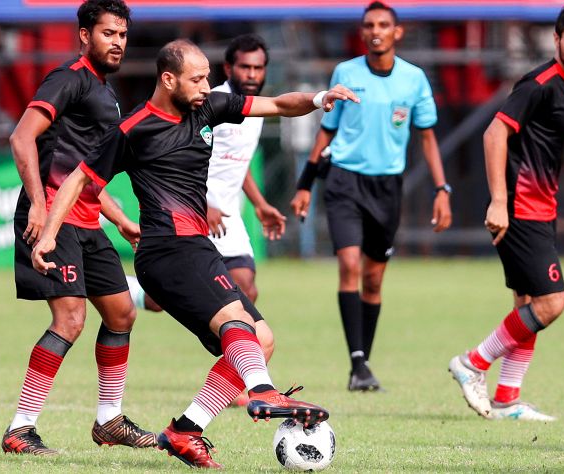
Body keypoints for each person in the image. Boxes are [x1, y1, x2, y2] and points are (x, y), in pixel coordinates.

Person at [32, 39, 358, 468]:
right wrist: (48, 235)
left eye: (207, 78)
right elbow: (77, 180)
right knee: (235, 321)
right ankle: (262, 390)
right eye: (197, 79)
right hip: (167, 249)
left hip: (195, 246)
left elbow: (280, 104)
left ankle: (185, 430)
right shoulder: (134, 129)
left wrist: (318, 99)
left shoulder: (209, 108)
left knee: (261, 341)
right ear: (168, 79)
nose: (207, 87)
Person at [447, 2, 564, 422]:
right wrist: (498, 201)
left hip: (542, 207)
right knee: (552, 302)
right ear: (556, 40)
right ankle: (473, 363)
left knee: (527, 305)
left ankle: (507, 399)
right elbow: (494, 134)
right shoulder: (539, 84)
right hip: (518, 208)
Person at [3, 0, 155, 456]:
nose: (118, 42)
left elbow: (84, 173)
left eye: (122, 35)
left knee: (122, 313)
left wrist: (122, 220)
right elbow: (21, 137)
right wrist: (37, 204)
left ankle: (109, 421)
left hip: (87, 221)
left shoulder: (105, 92)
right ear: (85, 35)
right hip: (53, 219)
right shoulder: (67, 78)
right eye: (109, 33)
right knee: (70, 318)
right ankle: (20, 429)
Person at [290, 1, 452, 392]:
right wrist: (305, 185)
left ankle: (363, 362)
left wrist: (442, 189)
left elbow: (427, 137)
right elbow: (327, 130)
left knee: (374, 280)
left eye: (383, 24)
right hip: (344, 181)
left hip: (387, 188)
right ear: (362, 32)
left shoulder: (414, 79)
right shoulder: (346, 73)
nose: (375, 30)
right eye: (369, 25)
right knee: (349, 265)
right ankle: (357, 363)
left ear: (397, 32)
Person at [125, 34, 283, 405]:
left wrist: (260, 203)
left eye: (259, 67)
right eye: (245, 66)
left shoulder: (249, 108)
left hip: (228, 215)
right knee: (204, 301)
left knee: (245, 290)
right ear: (230, 68)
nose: (252, 73)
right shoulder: (208, 102)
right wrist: (206, 203)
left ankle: (237, 384)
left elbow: (239, 163)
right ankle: (121, 289)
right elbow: (190, 159)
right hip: (195, 217)